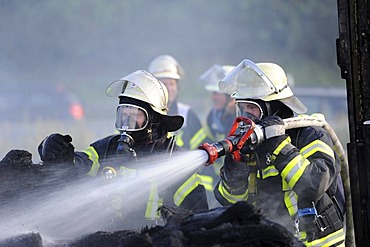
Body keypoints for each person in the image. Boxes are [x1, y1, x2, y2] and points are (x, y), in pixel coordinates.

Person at [38, 70, 208, 229]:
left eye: (135, 116)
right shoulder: (106, 149)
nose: (128, 124)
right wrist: (55, 151)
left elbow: (199, 223)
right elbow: (77, 165)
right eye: (123, 116)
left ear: (154, 119)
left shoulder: (176, 164)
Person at [214, 59, 346, 246]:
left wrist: (278, 145)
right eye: (242, 108)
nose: (247, 115)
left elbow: (314, 186)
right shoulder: (252, 145)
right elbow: (230, 203)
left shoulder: (310, 134)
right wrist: (234, 169)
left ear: (274, 107)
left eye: (252, 108)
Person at [148, 55, 209, 151]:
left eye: (172, 84)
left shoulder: (187, 114)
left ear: (177, 86)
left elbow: (201, 151)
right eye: (164, 84)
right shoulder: (142, 114)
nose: (169, 88)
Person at [197, 64, 236, 208]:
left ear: (231, 97)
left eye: (217, 93)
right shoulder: (212, 118)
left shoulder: (242, 120)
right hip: (220, 180)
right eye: (212, 93)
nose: (213, 97)